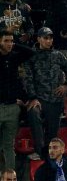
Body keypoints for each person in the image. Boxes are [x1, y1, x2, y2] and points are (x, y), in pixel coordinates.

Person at [21, 27, 67, 161]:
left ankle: (49, 157)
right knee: (33, 114)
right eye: (45, 38)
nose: (48, 40)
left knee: (52, 132)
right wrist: (32, 97)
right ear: (38, 39)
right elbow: (27, 78)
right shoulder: (31, 55)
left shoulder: (58, 55)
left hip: (55, 99)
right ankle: (40, 152)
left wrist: (66, 85)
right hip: (39, 98)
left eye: (50, 38)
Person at [0, 31, 33, 171]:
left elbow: (31, 52)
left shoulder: (14, 57)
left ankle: (10, 179)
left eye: (11, 41)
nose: (10, 44)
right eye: (6, 41)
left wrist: (15, 45)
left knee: (9, 145)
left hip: (12, 108)